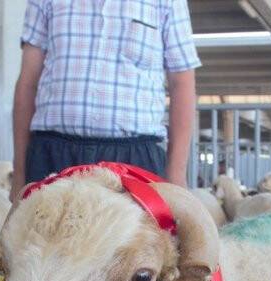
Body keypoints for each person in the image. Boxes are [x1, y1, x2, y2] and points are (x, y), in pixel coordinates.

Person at [10, 0, 200, 201]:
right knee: (43, 232)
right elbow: (27, 83)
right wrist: (20, 173)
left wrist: (176, 175)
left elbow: (182, 84)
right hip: (53, 155)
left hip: (135, 161)